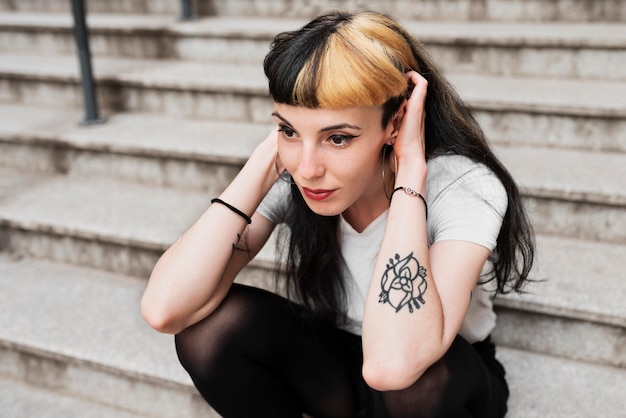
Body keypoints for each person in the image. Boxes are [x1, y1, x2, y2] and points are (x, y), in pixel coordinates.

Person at [141, 10, 535, 418]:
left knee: (416, 384)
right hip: (343, 360)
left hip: (443, 379)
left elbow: (394, 365)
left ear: (396, 121)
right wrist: (267, 160)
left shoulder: (463, 185)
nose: (308, 168)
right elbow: (165, 308)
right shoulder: (296, 170)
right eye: (289, 129)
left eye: (338, 138)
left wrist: (410, 174)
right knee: (207, 332)